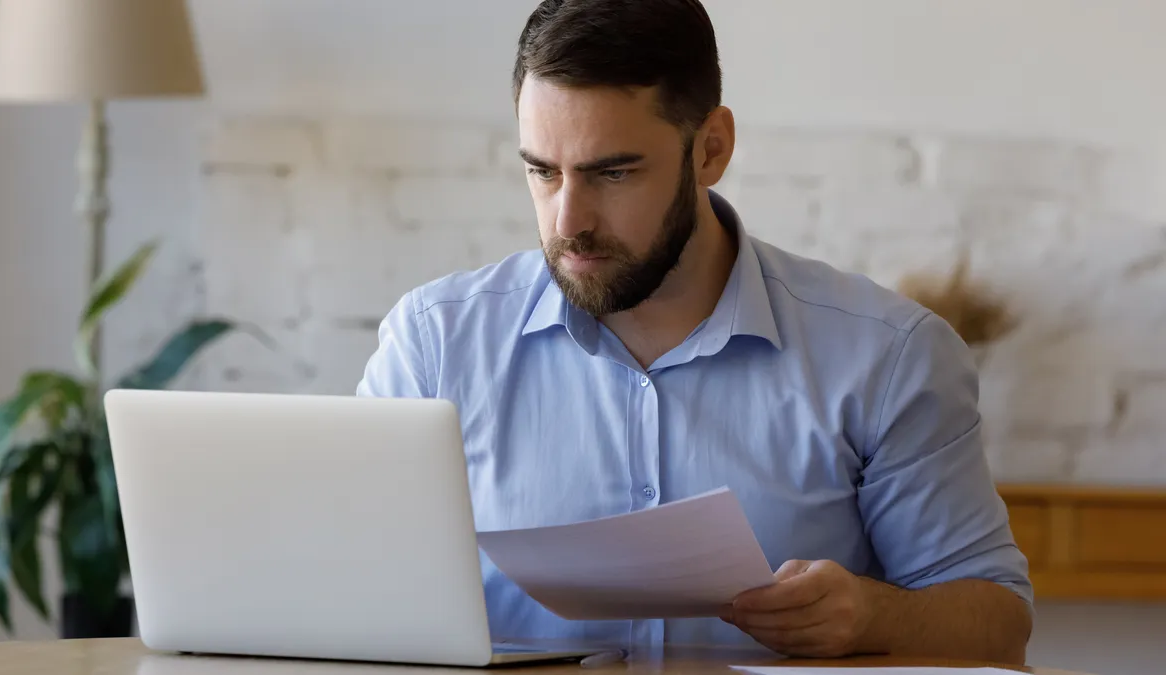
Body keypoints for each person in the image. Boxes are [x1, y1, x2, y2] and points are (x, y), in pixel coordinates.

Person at [357, 0, 1033, 664]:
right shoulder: (434, 346)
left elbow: (999, 626)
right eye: (542, 170)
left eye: (613, 172)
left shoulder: (888, 356)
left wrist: (873, 616)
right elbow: (347, 590)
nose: (567, 220)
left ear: (711, 149)